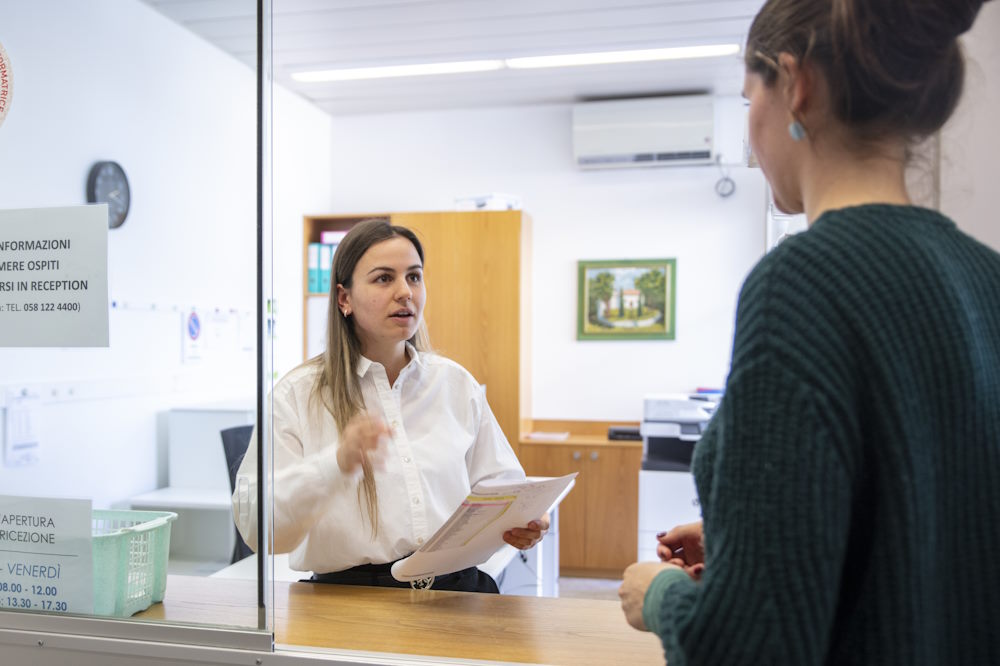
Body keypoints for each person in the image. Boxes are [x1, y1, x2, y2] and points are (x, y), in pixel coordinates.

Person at [619, 0, 1000, 663]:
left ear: (796, 86)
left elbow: (751, 647)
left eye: (747, 99)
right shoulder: (984, 275)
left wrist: (659, 597)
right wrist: (759, 532)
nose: (749, 132)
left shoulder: (800, 284)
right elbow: (937, 517)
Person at [233, 218, 547, 592]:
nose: (405, 292)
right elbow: (259, 531)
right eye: (384, 278)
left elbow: (499, 485)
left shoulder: (454, 384)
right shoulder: (297, 396)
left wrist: (521, 521)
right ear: (343, 298)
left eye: (414, 277)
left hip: (460, 593)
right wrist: (335, 464)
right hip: (351, 601)